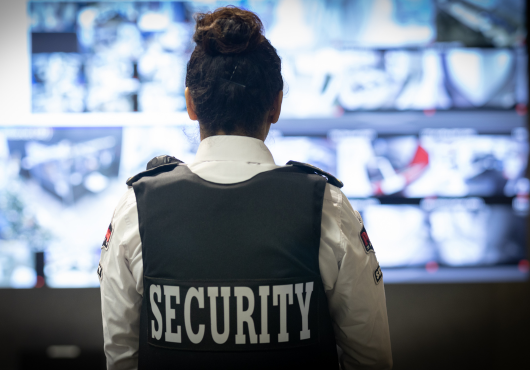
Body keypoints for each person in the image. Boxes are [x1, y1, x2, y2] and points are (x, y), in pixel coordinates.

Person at [99, 6, 392, 370]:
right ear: (276, 105)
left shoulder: (136, 209)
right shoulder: (326, 205)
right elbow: (371, 358)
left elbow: (121, 359)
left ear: (191, 103)